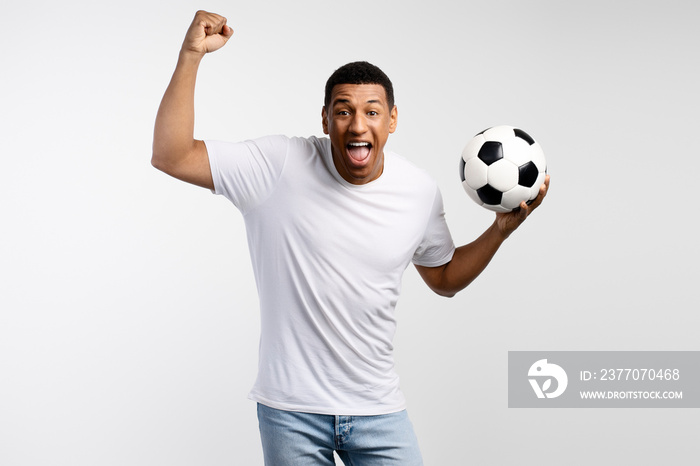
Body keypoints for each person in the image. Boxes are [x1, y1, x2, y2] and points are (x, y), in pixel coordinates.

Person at [152, 10, 549, 466]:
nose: (358, 125)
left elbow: (442, 277)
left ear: (393, 120)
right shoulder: (277, 165)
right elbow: (171, 154)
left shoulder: (417, 191)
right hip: (290, 411)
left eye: (372, 112)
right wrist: (190, 56)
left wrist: (499, 231)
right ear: (325, 119)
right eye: (344, 111)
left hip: (378, 409)